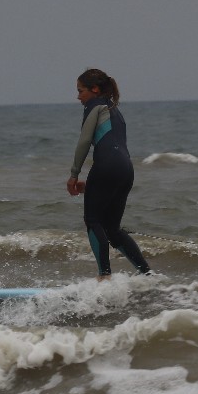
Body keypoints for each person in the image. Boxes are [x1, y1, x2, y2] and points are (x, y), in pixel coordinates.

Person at [67, 68, 151, 279]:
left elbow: (85, 141)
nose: (78, 97)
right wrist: (94, 185)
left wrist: (74, 174)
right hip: (125, 169)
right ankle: (147, 275)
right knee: (112, 229)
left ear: (94, 89)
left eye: (81, 91)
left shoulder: (94, 106)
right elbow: (114, 148)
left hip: (106, 167)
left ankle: (104, 276)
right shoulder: (115, 111)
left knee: (93, 220)